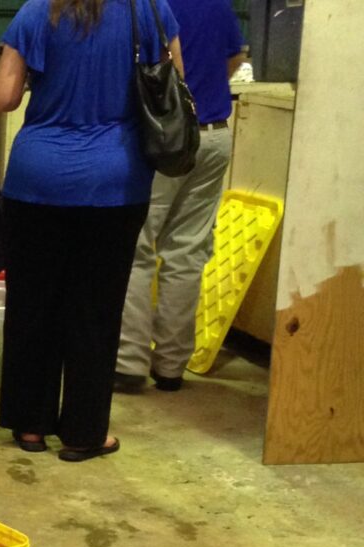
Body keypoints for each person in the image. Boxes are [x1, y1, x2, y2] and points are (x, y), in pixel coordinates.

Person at [0, 0, 180, 461]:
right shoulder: (151, 11)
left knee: (33, 306)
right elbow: (175, 84)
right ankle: (83, 432)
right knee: (96, 310)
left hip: (38, 178)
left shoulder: (36, 13)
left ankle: (30, 424)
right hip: (115, 180)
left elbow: (2, 98)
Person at [116, 0, 244, 392]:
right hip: (213, 135)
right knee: (187, 250)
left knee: (136, 248)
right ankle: (171, 366)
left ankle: (129, 363)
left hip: (162, 140)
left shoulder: (146, 7)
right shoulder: (218, 5)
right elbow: (235, 58)